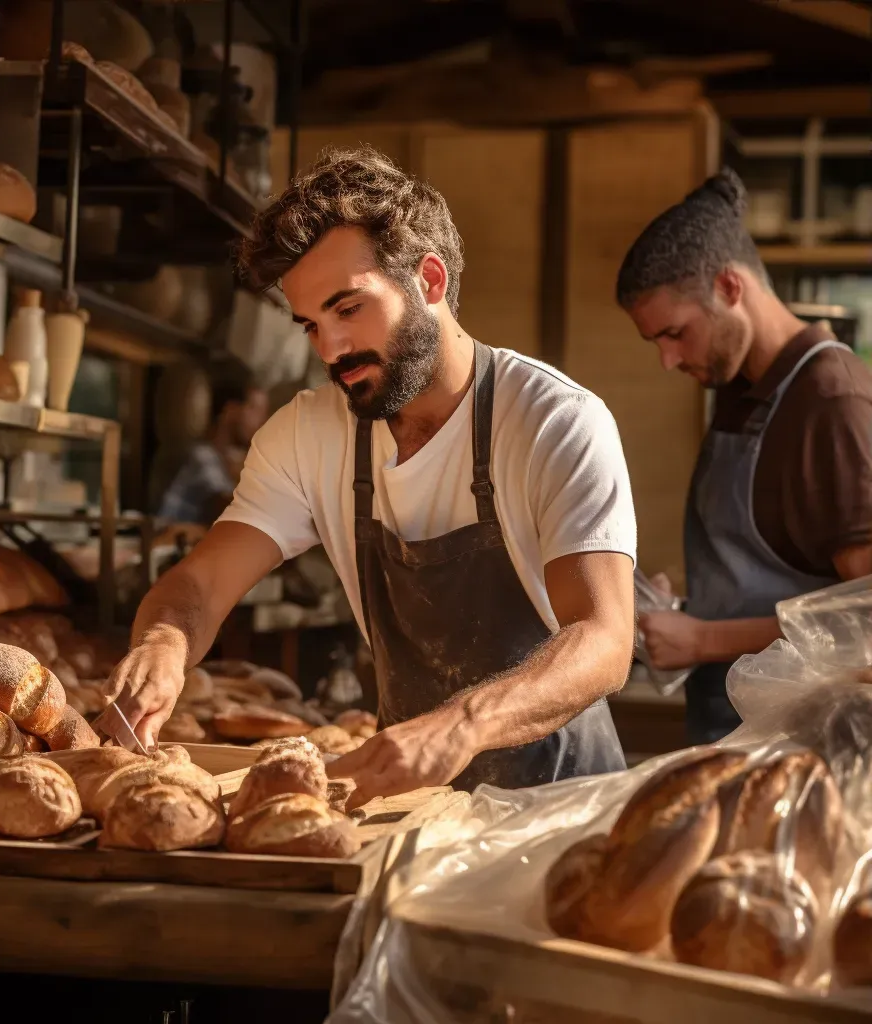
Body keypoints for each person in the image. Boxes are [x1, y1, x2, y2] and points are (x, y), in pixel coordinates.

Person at [102, 146, 637, 806]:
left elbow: (605, 638)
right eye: (310, 326)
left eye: (348, 309)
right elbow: (202, 585)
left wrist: (460, 726)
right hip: (403, 808)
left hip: (560, 807)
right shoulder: (308, 435)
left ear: (430, 280)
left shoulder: (555, 421)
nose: (330, 351)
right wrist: (164, 643)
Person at [618, 168, 872, 745]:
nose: (667, 360)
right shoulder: (741, 388)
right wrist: (687, 597)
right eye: (655, 340)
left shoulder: (832, 400)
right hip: (730, 735)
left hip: (806, 749)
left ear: (731, 288)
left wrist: (704, 638)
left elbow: (867, 616)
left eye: (676, 334)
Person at [157, 372, 269, 526]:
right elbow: (233, 511)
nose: (262, 421)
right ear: (231, 410)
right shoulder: (202, 457)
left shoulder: (226, 464)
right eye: (255, 409)